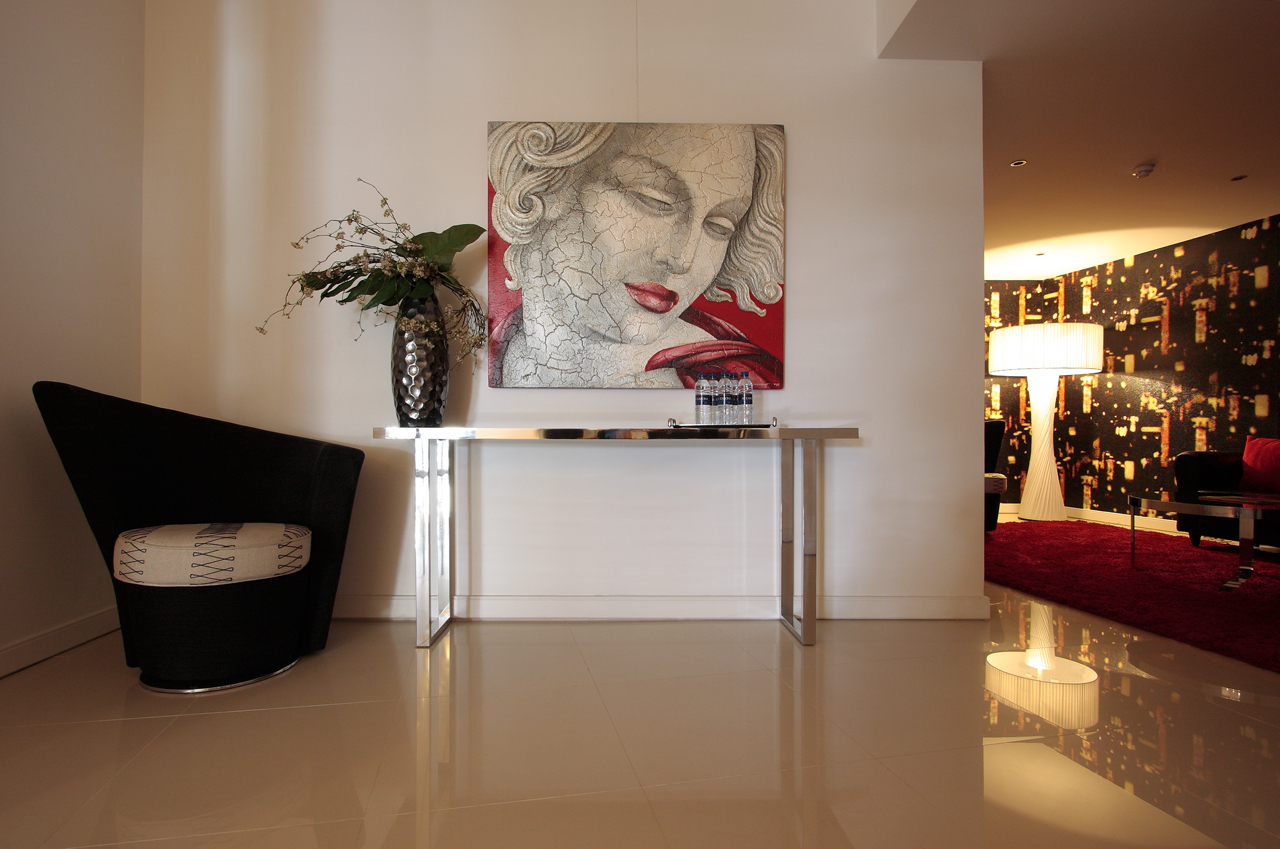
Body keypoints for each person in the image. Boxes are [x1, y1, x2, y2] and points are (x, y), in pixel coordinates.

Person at [487, 121, 785, 388]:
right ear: (549, 185)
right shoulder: (491, 352)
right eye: (654, 200)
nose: (682, 259)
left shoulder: (736, 381)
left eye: (719, 227)